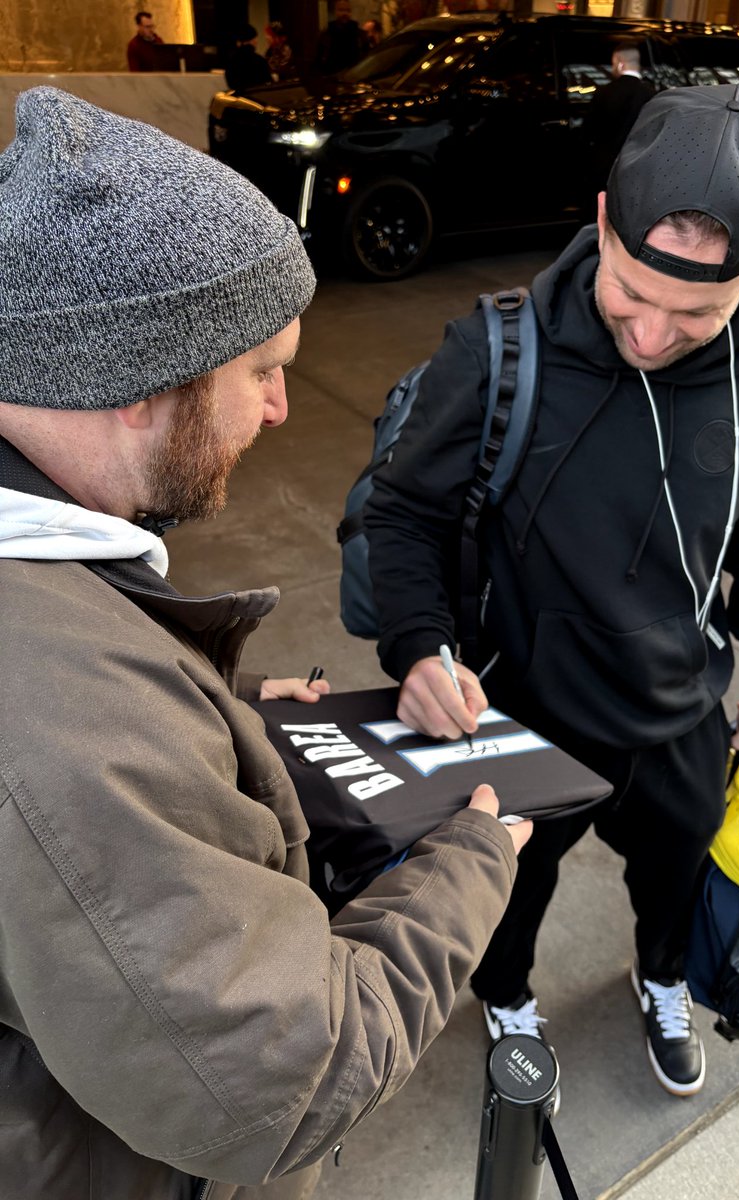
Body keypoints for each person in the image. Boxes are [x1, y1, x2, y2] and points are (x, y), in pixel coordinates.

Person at [0, 86, 530, 1199]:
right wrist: (474, 861)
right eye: (261, 370)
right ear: (144, 381)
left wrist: (225, 737)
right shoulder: (53, 724)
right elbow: (292, 1078)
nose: (283, 408)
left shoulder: (46, 581)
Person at [365, 85, 739, 1098]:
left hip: (680, 714)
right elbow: (403, 518)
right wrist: (419, 647)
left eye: (699, 311)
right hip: (523, 708)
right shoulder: (497, 350)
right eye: (630, 295)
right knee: (510, 892)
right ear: (603, 221)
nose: (652, 336)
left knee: (674, 878)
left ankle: (659, 977)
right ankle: (508, 993)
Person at [584, 41, 656, 192]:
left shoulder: (605, 92)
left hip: (605, 168)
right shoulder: (651, 94)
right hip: (638, 168)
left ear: (620, 64)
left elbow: (588, 131)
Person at [313, 0, 369, 77]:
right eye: (341, 10)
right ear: (335, 12)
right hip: (332, 76)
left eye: (348, 10)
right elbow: (319, 58)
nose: (345, 13)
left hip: (354, 75)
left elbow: (366, 56)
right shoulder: (327, 33)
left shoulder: (359, 34)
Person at [225, 23, 273, 93]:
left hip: (240, 99)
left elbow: (230, 82)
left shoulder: (231, 60)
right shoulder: (259, 60)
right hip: (257, 98)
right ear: (253, 40)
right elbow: (268, 83)